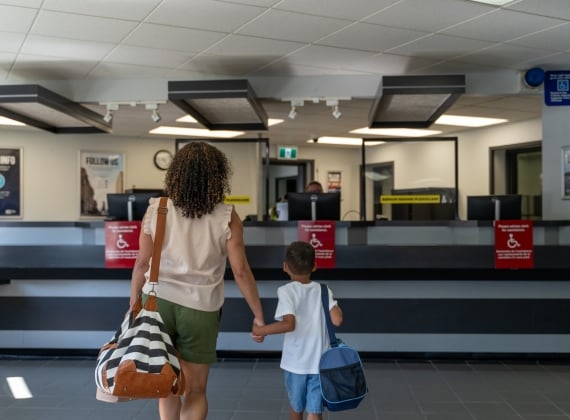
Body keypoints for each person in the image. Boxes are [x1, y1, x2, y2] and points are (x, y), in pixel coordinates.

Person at [129, 141, 265, 420]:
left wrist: (133, 305)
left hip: (156, 303)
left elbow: (142, 263)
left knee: (165, 385)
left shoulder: (157, 208)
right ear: (217, 176)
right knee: (196, 390)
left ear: (176, 173)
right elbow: (240, 271)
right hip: (201, 308)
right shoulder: (227, 215)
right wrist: (259, 316)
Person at [252, 241, 343, 420]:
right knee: (315, 411)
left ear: (285, 267)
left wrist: (261, 330)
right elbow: (337, 320)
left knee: (296, 408)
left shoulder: (286, 291)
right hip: (320, 362)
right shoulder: (323, 290)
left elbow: (288, 324)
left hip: (295, 364)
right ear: (315, 266)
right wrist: (332, 302)